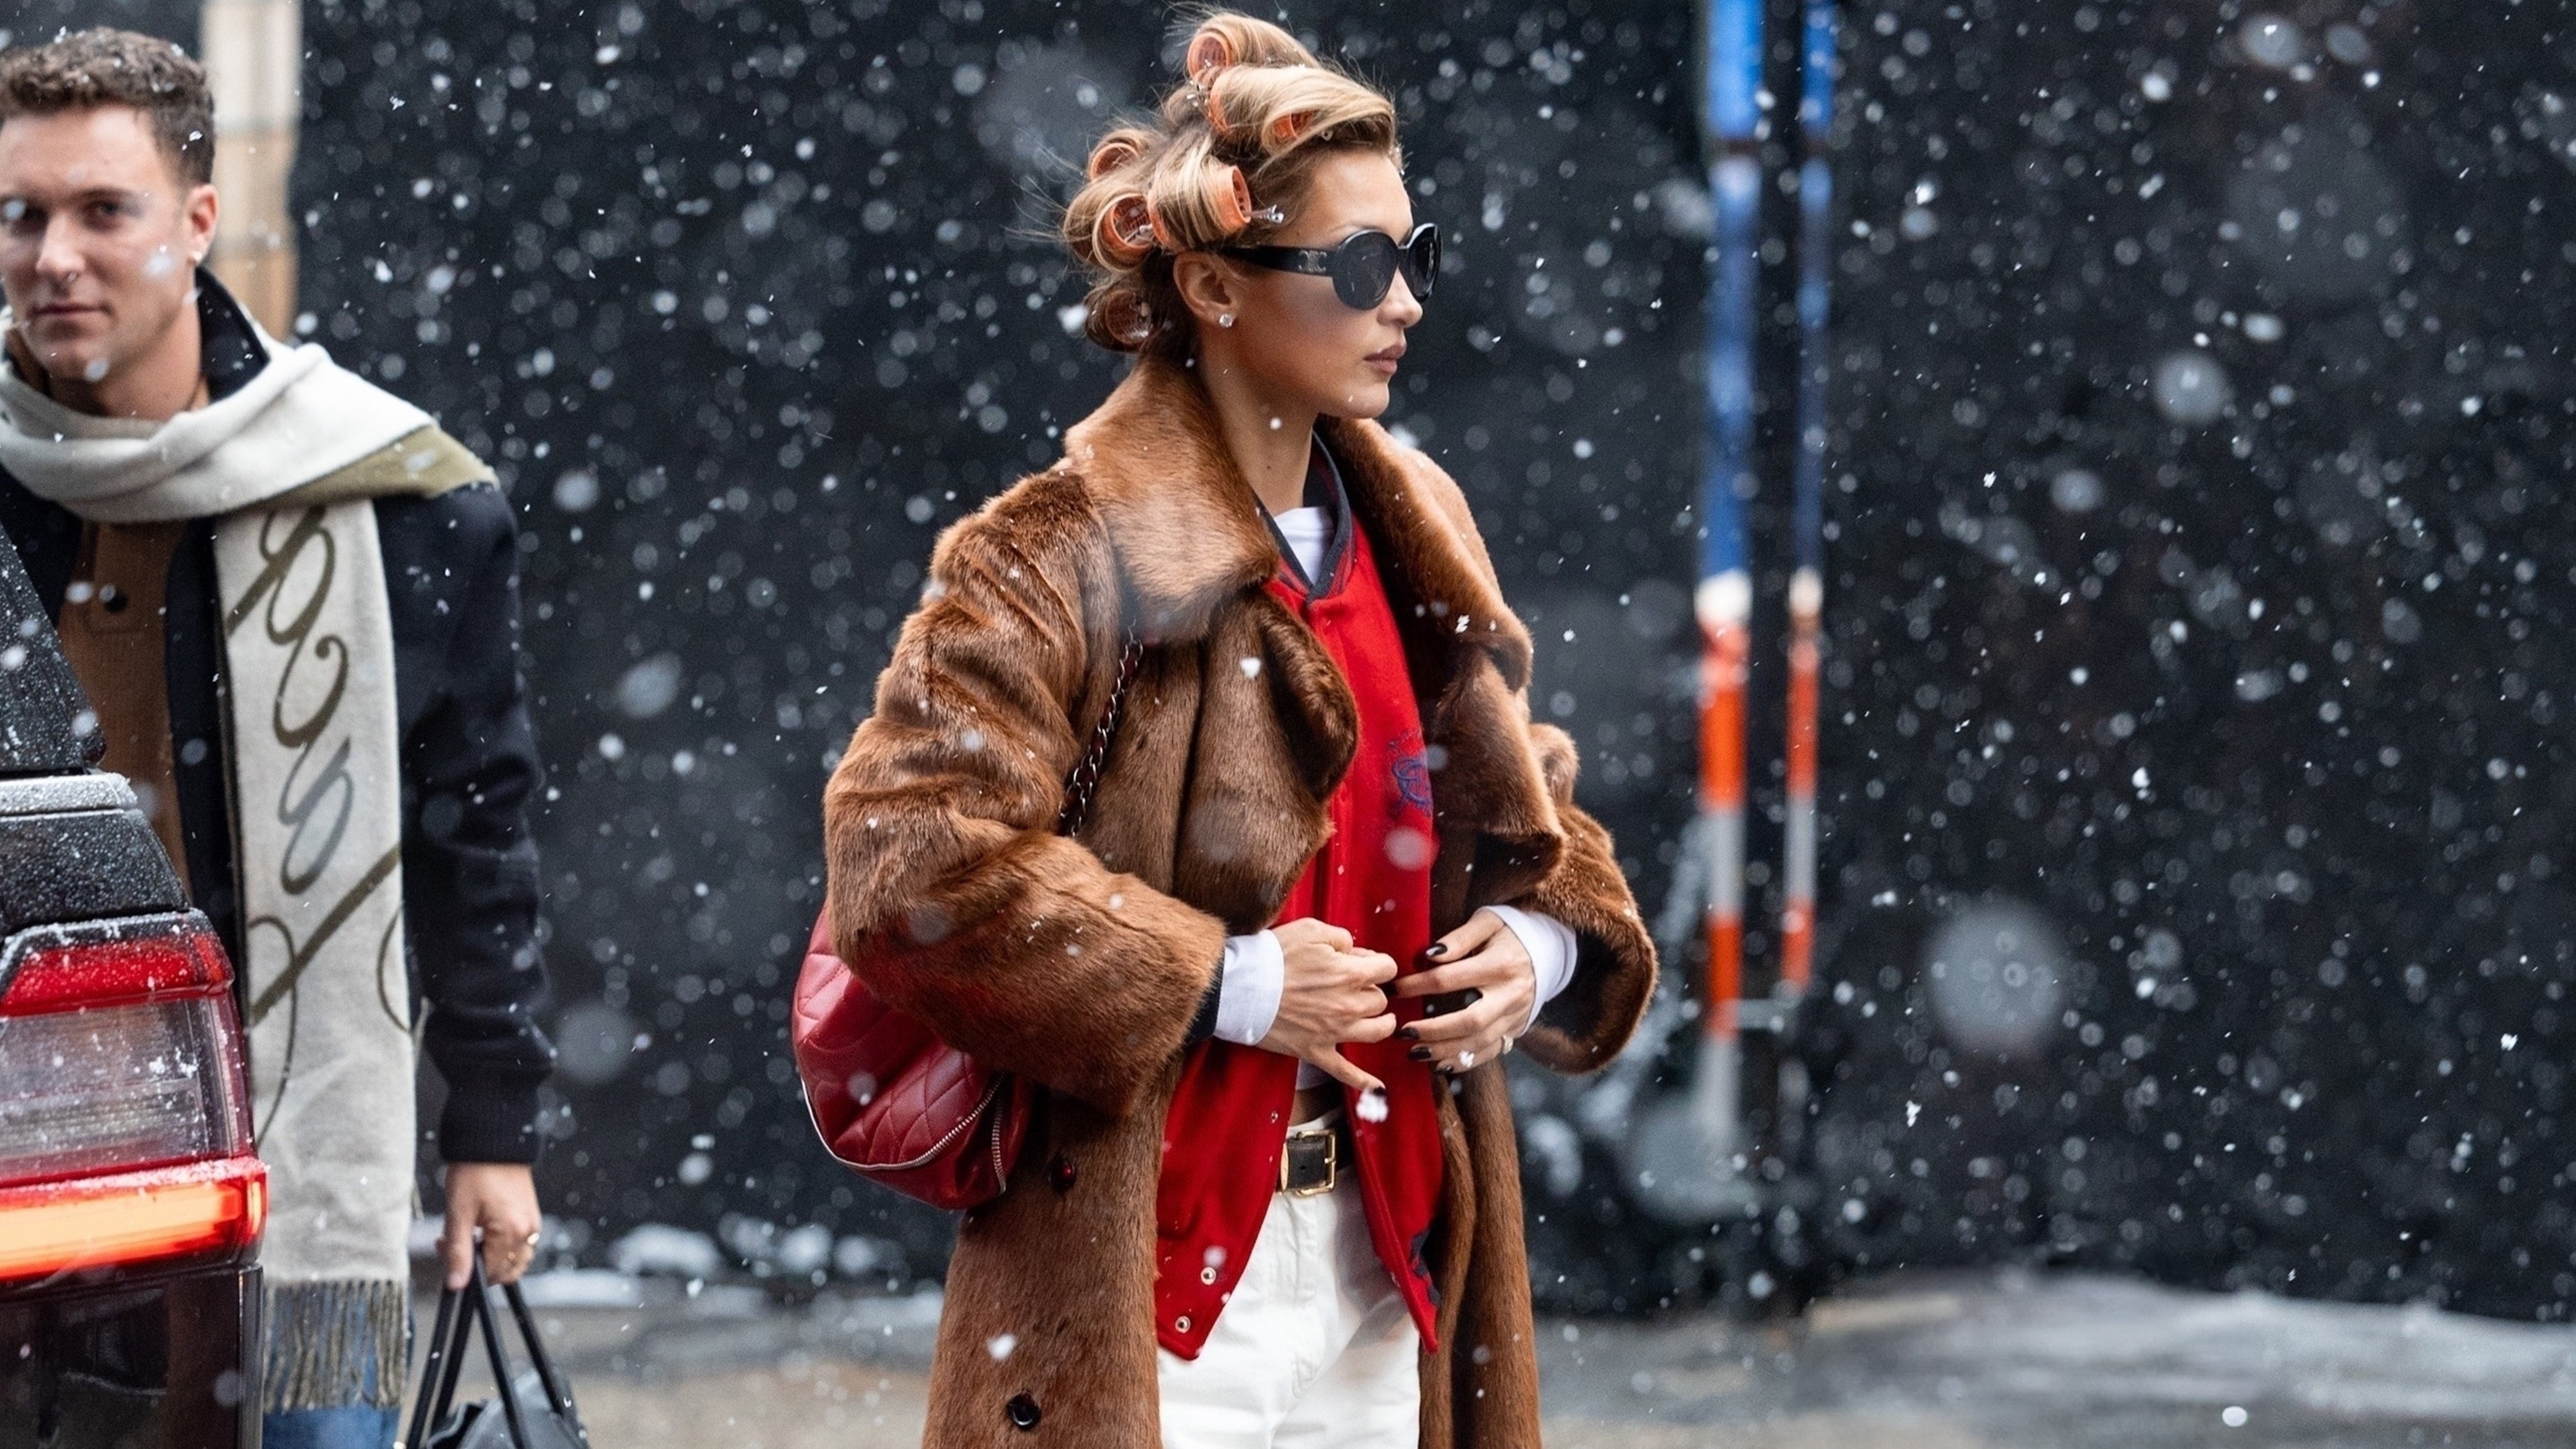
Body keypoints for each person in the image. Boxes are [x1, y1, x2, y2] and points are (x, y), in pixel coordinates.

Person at [822, 14, 1656, 1447]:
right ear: (1208, 282)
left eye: (1418, 256)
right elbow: (905, 865)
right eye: (1357, 266)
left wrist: (1545, 944)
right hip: (1135, 1296)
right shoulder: (1052, 553)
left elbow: (1535, 808)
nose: (1404, 304)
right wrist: (1226, 981)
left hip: (1392, 1271)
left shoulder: (1414, 529)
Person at [0, 30, 554, 1449]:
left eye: (100, 212)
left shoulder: (394, 498)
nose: (54, 254)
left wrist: (491, 1129)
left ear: (197, 221)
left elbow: (473, 830)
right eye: (20, 214)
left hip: (293, 1166)